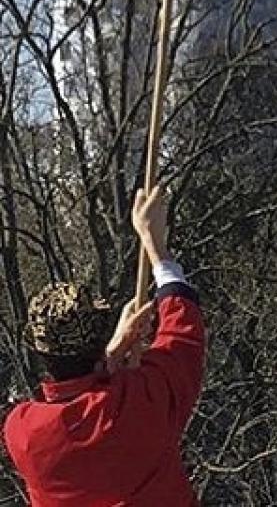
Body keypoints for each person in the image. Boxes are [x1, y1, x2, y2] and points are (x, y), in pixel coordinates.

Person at [4, 186, 205, 506]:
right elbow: (183, 338)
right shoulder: (140, 400)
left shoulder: (21, 433)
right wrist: (156, 246)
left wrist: (109, 357)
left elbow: (74, 404)